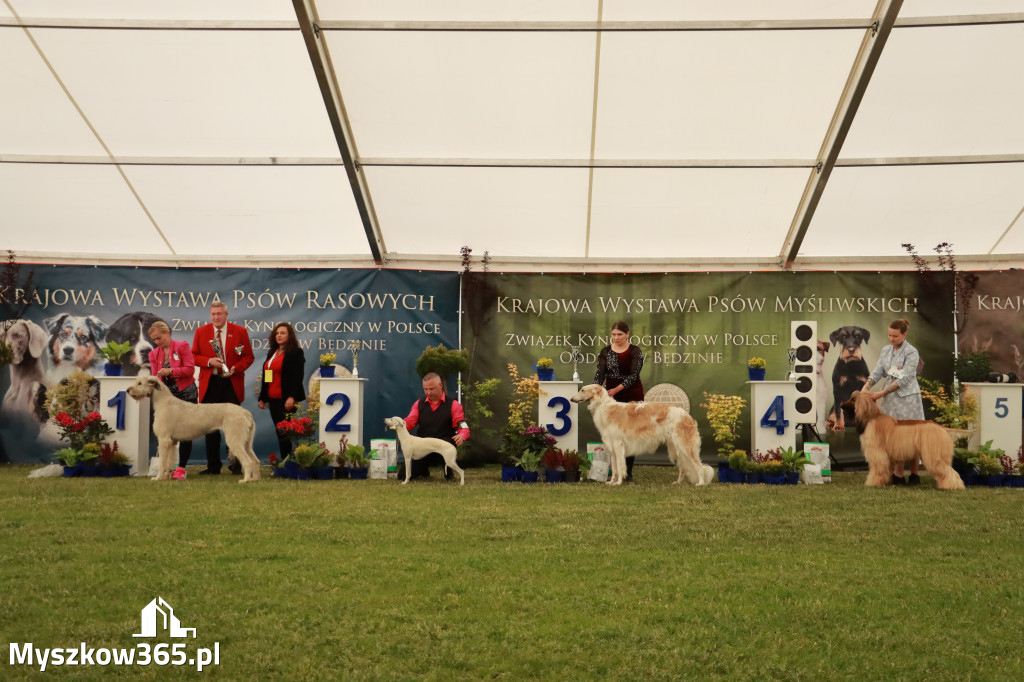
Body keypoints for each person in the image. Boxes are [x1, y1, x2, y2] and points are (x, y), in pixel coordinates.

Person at [191, 301, 254, 475]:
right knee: (210, 428)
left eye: (219, 314)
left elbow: (248, 357)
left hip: (231, 384)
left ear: (226, 315)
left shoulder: (240, 332)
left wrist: (237, 368)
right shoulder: (201, 332)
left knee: (234, 427)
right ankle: (213, 466)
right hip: (209, 385)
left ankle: (236, 465)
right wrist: (209, 361)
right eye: (213, 314)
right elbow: (194, 356)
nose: (216, 317)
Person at [863, 318, 925, 486]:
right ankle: (898, 474)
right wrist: (866, 387)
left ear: (904, 335)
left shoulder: (911, 352)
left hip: (908, 399)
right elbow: (877, 372)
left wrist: (881, 393)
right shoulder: (885, 350)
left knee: (912, 437)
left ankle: (914, 474)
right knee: (894, 436)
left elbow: (905, 378)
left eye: (895, 336)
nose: (891, 339)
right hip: (891, 400)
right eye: (889, 335)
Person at [594, 320, 645, 481]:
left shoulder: (635, 351)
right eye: (614, 334)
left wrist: (616, 389)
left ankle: (628, 472)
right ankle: (615, 470)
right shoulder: (605, 351)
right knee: (612, 433)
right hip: (610, 397)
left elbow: (633, 375)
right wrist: (596, 389)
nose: (616, 337)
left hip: (632, 395)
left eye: (620, 334)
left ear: (627, 334)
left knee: (631, 433)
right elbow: (600, 373)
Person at [146, 320, 198, 470]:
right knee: (166, 432)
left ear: (167, 333)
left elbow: (190, 370)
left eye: (159, 338)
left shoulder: (182, 346)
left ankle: (181, 468)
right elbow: (156, 378)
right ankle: (167, 466)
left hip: (187, 394)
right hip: (167, 398)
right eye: (154, 340)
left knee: (186, 431)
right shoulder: (154, 354)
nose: (157, 342)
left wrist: (172, 371)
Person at [403, 372, 470, 480]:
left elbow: (463, 425)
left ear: (440, 386)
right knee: (402, 476)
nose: (428, 392)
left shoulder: (454, 405)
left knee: (447, 445)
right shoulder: (418, 404)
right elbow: (410, 421)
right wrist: (400, 425)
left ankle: (449, 472)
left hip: (444, 442)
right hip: (423, 446)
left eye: (431, 389)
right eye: (425, 389)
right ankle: (423, 470)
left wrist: (462, 435)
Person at [258, 322, 306, 462]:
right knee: (280, 432)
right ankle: (286, 462)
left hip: (287, 399)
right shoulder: (272, 353)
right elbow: (267, 375)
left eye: (283, 333)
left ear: (290, 335)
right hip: (273, 399)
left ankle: (288, 463)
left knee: (285, 433)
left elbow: (298, 377)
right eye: (277, 333)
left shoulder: (296, 352)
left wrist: (291, 397)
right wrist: (263, 397)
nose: (279, 335)